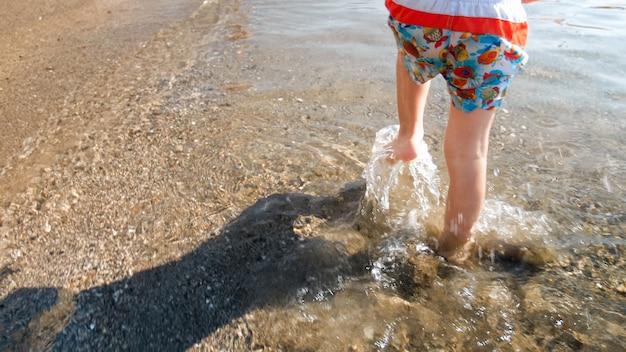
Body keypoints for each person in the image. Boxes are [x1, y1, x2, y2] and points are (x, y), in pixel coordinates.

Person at [385, 0, 539, 263]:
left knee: (412, 57)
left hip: (420, 13)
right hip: (490, 24)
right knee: (468, 154)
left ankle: (409, 135)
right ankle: (454, 245)